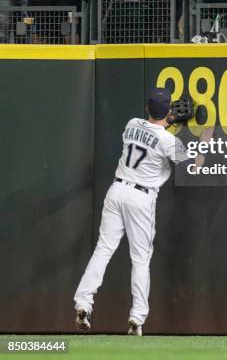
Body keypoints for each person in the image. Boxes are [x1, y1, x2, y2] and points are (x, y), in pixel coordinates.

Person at [74, 88, 213, 335]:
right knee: (140, 259)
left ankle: (83, 302)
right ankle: (137, 318)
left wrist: (167, 118)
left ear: (148, 108)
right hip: (141, 198)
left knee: (103, 250)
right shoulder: (169, 141)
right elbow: (193, 168)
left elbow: (152, 129)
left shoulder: (131, 124)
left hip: (116, 191)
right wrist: (204, 145)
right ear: (168, 110)